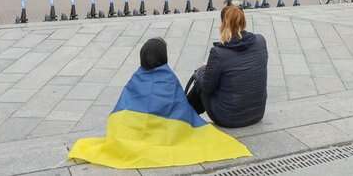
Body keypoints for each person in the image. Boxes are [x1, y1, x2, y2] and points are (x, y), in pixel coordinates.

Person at [68, 37, 251, 169]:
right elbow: (182, 108)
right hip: (168, 134)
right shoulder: (169, 78)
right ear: (164, 58)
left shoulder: (135, 78)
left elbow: (123, 105)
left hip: (131, 133)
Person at [187, 6, 268, 128]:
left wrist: (200, 72)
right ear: (243, 22)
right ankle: (187, 113)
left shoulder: (218, 53)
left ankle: (186, 115)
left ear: (223, 24)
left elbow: (207, 88)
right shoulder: (261, 41)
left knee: (200, 80)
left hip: (229, 118)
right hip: (257, 113)